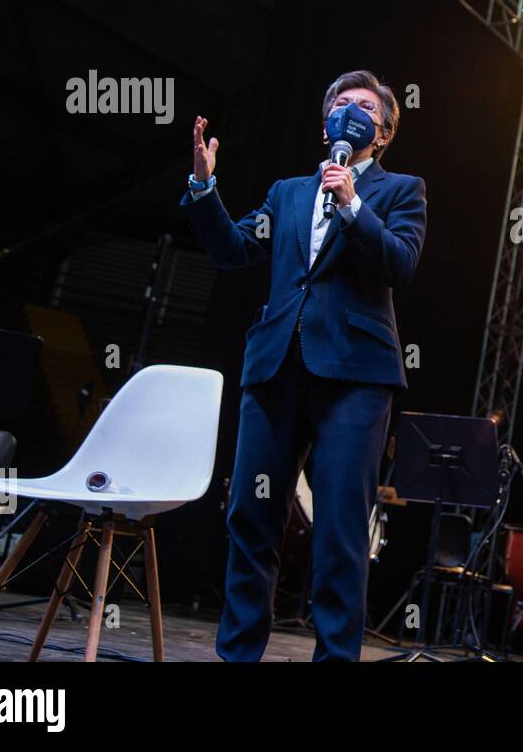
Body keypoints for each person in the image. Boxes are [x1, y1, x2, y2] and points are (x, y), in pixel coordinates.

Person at [182, 70, 426, 661]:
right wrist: (202, 188)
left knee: (340, 532)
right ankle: (238, 654)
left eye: (367, 107)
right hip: (275, 370)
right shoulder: (288, 192)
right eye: (343, 103)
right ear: (325, 124)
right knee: (251, 517)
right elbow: (234, 250)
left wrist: (351, 205)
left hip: (356, 380)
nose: (353, 111)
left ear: (384, 132)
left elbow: (399, 263)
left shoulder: (401, 190)